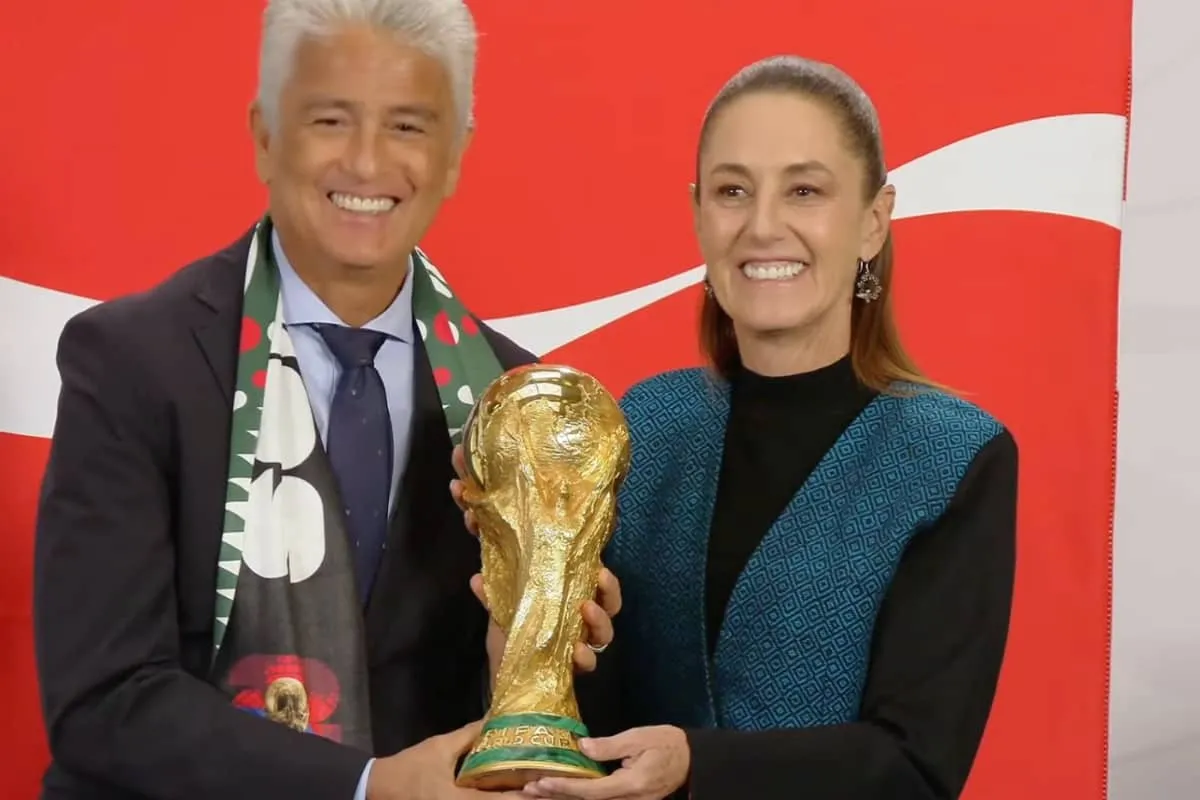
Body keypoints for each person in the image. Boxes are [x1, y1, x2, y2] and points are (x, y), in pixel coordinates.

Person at [31, 2, 619, 799]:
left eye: (409, 127)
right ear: (266, 135)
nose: (368, 164)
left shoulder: (514, 408)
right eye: (331, 119)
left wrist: (522, 651)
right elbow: (104, 702)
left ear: (455, 155)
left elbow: (526, 731)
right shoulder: (133, 364)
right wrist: (366, 787)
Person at [453, 55, 1018, 800]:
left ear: (873, 221)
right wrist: (523, 641)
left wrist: (698, 765)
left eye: (805, 191)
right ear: (698, 215)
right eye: (732, 191)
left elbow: (916, 766)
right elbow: (589, 734)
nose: (762, 226)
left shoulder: (953, 457)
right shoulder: (643, 428)